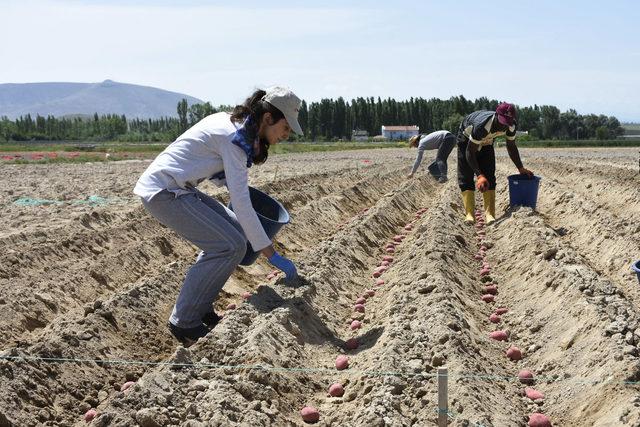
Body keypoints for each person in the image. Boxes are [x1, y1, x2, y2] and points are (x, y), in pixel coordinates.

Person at [133, 86, 302, 346]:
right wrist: (273, 255)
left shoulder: (235, 126)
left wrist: (256, 236)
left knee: (237, 240)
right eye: (286, 128)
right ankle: (184, 323)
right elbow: (241, 203)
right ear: (268, 118)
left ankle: (201, 307)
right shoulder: (233, 138)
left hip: (180, 187)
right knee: (229, 245)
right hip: (165, 192)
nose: (286, 135)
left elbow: (224, 180)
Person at [456, 102, 533, 224]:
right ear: (497, 116)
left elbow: (511, 146)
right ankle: (469, 214)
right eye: (503, 122)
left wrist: (520, 168)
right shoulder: (482, 126)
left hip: (487, 141)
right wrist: (479, 175)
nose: (504, 127)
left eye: (507, 123)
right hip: (467, 140)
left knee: (490, 174)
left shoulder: (511, 126)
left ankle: (490, 214)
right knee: (466, 175)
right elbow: (470, 152)